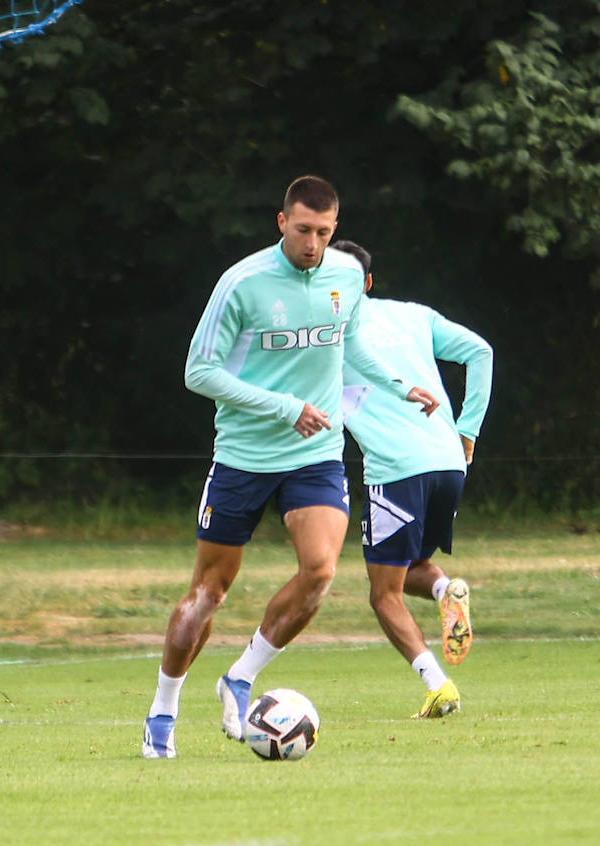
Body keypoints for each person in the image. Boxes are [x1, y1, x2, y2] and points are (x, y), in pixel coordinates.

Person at [143, 176, 442, 759]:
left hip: (315, 454)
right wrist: (285, 408)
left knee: (321, 571)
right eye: (303, 229)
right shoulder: (242, 283)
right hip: (244, 457)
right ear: (281, 222)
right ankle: (163, 709)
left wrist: (400, 385)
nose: (312, 243)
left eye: (324, 232)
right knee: (207, 595)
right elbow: (198, 372)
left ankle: (240, 676)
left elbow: (350, 342)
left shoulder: (345, 276)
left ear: (335, 229)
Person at [333, 239, 492, 719]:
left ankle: (438, 686)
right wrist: (468, 430)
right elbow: (481, 351)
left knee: (383, 593)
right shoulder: (414, 315)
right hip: (448, 463)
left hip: (396, 470)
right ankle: (446, 591)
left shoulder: (325, 332)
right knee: (414, 564)